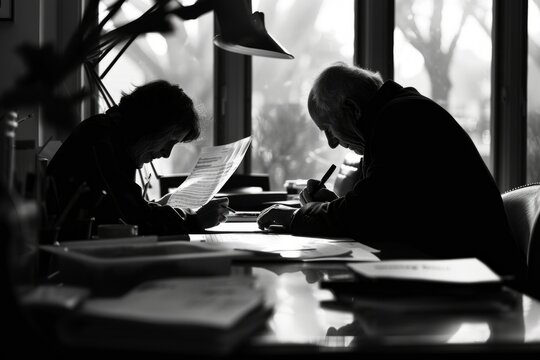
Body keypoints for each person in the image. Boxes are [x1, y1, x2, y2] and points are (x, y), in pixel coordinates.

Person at [257, 62, 526, 279]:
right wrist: (334, 207)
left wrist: (298, 217)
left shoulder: (399, 120)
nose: (332, 142)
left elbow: (368, 214)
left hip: (481, 285)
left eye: (329, 129)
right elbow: (385, 208)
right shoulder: (401, 111)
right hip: (461, 270)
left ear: (352, 110)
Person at [46, 80, 229, 240]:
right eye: (169, 142)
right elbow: (136, 222)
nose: (166, 154)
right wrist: (194, 220)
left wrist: (156, 206)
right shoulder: (100, 139)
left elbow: (123, 209)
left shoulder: (111, 135)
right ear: (152, 125)